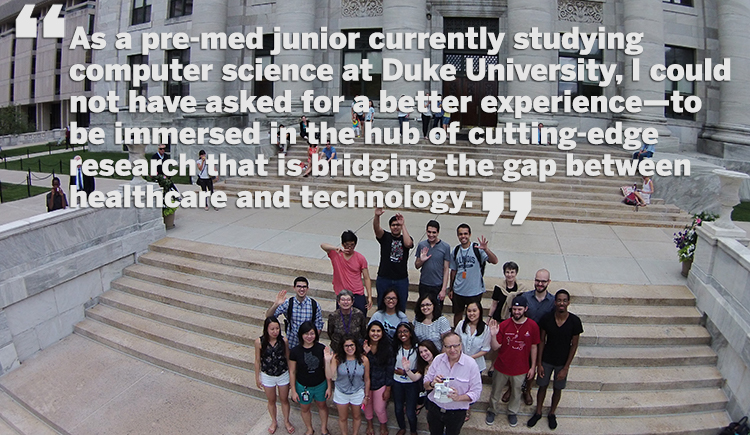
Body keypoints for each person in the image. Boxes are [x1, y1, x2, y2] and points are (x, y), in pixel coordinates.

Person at [527, 290, 583, 430]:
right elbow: (541, 341)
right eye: (559, 300)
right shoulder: (547, 318)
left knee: (558, 388)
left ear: (568, 302)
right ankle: (538, 411)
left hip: (562, 362)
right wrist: (539, 363)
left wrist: (566, 367)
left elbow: (574, 344)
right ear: (555, 302)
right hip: (546, 359)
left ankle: (552, 413)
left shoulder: (574, 321)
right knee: (542, 386)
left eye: (564, 300)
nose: (561, 303)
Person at [486, 298, 540, 428]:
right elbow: (495, 347)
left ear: (525, 309)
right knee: (495, 392)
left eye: (519, 309)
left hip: (521, 368)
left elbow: (534, 347)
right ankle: (492, 410)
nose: (516, 312)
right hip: (502, 366)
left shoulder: (532, 326)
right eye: (514, 309)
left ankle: (512, 412)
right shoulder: (504, 325)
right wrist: (493, 335)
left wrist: (533, 367)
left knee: (516, 393)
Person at [423, 332, 482, 435]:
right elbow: (425, 384)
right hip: (435, 408)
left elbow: (476, 392)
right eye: (448, 346)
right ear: (444, 347)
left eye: (455, 346)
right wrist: (432, 383)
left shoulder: (471, 364)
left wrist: (458, 397)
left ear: (461, 345)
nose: (452, 350)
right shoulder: (438, 359)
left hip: (456, 412)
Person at [448, 224, 498, 326]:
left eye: (465, 234)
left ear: (470, 234)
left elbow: (494, 261)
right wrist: (451, 288)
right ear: (458, 236)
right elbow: (453, 271)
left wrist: (486, 249)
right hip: (459, 290)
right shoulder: (456, 251)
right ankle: (458, 333)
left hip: (474, 290)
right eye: (460, 234)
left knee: (474, 315)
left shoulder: (477, 249)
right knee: (458, 314)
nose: (463, 236)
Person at [289, 322, 331, 435]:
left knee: (322, 405)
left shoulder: (322, 348)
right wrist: (293, 390)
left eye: (312, 333)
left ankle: (323, 428)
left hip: (320, 384)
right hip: (303, 386)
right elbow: (292, 371)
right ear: (301, 335)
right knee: (305, 408)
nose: (309, 336)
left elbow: (327, 370)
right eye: (306, 333)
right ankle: (309, 428)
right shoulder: (295, 351)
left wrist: (329, 387)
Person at [255, 317, 295, 435]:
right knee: (271, 400)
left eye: (277, 328)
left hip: (283, 373)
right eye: (272, 329)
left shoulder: (284, 341)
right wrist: (257, 377)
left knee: (284, 399)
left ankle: (286, 421)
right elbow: (257, 360)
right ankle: (274, 421)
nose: (275, 331)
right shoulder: (259, 342)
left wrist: (292, 376)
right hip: (268, 375)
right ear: (266, 329)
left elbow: (288, 358)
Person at [454, 301, 491, 421]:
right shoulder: (461, 324)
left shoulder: (485, 329)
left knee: (472, 388)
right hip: (459, 362)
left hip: (476, 364)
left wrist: (470, 358)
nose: (471, 313)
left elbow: (485, 349)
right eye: (469, 311)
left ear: (480, 312)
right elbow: (455, 341)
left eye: (474, 310)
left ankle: (467, 408)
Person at [321, 230, 372, 313]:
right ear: (342, 244)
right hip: (342, 293)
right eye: (347, 245)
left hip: (357, 293)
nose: (349, 248)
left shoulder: (360, 258)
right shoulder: (336, 254)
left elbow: (366, 278)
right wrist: (335, 248)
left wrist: (369, 296)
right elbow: (323, 245)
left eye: (352, 245)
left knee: (360, 318)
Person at [266, 277, 324, 349]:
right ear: (294, 288)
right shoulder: (288, 303)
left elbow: (318, 325)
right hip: (292, 343)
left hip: (308, 344)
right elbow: (269, 317)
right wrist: (276, 305)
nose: (301, 289)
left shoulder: (314, 304)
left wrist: (311, 340)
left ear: (307, 288)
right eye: (299, 286)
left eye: (304, 287)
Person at [373, 208, 413, 312]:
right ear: (390, 227)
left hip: (401, 279)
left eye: (397, 225)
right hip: (384, 277)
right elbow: (377, 229)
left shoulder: (406, 238)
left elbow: (408, 244)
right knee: (382, 306)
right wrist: (377, 216)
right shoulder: (385, 237)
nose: (395, 227)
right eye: (393, 225)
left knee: (401, 306)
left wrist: (403, 224)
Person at [329, 336, 370, 435]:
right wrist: (327, 361)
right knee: (343, 417)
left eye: (351, 345)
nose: (349, 348)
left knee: (357, 416)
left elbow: (367, 379)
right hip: (341, 392)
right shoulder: (337, 358)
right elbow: (330, 375)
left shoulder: (364, 359)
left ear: (356, 345)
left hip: (357, 391)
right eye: (346, 346)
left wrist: (366, 396)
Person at [363, 321, 394, 435]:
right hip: (365, 383)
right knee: (367, 406)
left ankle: (383, 424)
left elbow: (390, 368)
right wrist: (365, 354)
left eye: (378, 331)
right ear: (368, 332)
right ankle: (369, 424)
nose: (375, 334)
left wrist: (388, 388)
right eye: (373, 331)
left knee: (379, 408)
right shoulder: (363, 345)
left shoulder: (387, 347)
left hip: (381, 382)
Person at [392, 323, 421, 435]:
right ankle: (402, 427)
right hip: (397, 382)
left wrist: (405, 372)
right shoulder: (395, 347)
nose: (402, 334)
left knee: (410, 411)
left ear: (410, 333)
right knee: (398, 408)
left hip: (412, 383)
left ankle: (413, 430)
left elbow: (420, 368)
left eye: (405, 331)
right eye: (399, 332)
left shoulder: (418, 348)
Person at [414, 220, 451, 309]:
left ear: (438, 232)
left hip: (437, 285)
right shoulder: (422, 245)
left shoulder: (445, 247)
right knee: (423, 309)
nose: (431, 235)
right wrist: (422, 260)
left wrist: (443, 289)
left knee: (437, 311)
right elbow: (417, 265)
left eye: (434, 232)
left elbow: (446, 269)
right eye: (429, 232)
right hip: (424, 283)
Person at [415, 340, 439, 414]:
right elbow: (415, 377)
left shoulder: (440, 363)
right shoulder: (424, 366)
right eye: (421, 352)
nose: (423, 354)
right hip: (428, 397)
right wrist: (407, 369)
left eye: (426, 350)